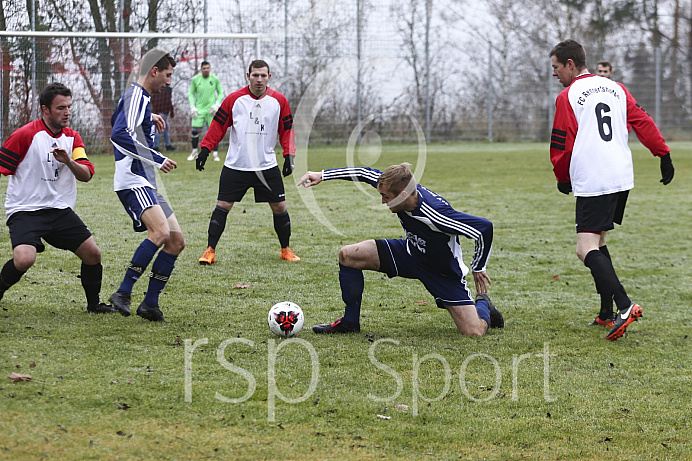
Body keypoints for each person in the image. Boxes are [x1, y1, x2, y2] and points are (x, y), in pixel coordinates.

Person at [549, 39, 674, 341]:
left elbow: (561, 142)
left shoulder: (569, 96)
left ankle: (625, 305)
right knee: (599, 241)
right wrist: (663, 154)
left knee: (585, 248)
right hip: (620, 176)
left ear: (570, 64)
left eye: (556, 67)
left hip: (595, 177)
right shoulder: (616, 88)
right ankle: (607, 311)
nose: (554, 74)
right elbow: (642, 121)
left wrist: (562, 175)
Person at [297, 164, 504, 336]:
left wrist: (478, 267)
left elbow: (484, 228)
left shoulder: (436, 214)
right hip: (409, 253)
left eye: (386, 197)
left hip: (441, 272)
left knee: (474, 332)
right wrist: (322, 175)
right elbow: (363, 173)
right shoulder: (395, 186)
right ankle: (349, 323)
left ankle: (483, 303)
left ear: (403, 195)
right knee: (348, 255)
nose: (383, 201)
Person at [0, 83, 114, 313]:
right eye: (61, 107)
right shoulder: (25, 135)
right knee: (24, 259)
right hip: (25, 209)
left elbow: (87, 175)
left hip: (58, 210)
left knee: (93, 253)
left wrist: (68, 162)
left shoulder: (72, 138)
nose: (67, 112)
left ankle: (94, 305)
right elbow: (3, 165)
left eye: (69, 107)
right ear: (45, 110)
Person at [196, 59, 300, 265]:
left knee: (279, 207)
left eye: (263, 75)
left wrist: (289, 154)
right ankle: (209, 251)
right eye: (255, 75)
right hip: (237, 165)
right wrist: (205, 149)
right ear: (248, 76)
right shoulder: (234, 99)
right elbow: (218, 125)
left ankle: (285, 249)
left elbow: (286, 129)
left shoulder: (279, 100)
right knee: (223, 205)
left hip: (266, 166)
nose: (259, 79)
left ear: (269, 77)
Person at [109, 49, 185, 322]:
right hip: (133, 180)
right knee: (161, 232)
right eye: (167, 75)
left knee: (176, 241)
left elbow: (119, 120)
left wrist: (148, 119)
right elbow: (118, 134)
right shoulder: (136, 96)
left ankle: (149, 304)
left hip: (146, 182)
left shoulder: (141, 99)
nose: (168, 81)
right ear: (154, 71)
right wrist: (158, 157)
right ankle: (123, 292)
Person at [187, 61, 223, 162]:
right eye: (204, 68)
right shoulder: (195, 79)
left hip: (211, 110)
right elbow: (191, 93)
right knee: (195, 130)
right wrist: (192, 107)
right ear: (201, 69)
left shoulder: (215, 79)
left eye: (208, 68)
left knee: (214, 131)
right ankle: (194, 151)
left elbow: (220, 92)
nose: (206, 70)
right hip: (199, 110)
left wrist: (216, 105)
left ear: (210, 68)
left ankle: (215, 154)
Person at [151, 85, 175, 151]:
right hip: (163, 112)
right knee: (160, 128)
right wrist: (171, 111)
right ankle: (155, 146)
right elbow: (168, 101)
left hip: (157, 111)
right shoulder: (167, 90)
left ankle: (168, 145)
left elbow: (152, 100)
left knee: (165, 128)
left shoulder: (157, 89)